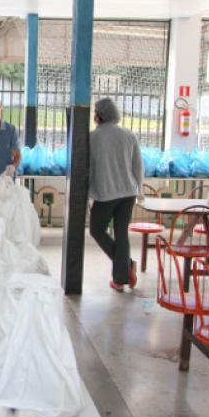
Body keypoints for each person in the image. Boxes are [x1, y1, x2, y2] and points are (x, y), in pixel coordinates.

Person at [88, 97, 143, 292]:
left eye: (95, 112)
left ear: (99, 116)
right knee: (121, 234)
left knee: (96, 229)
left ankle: (126, 266)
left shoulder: (92, 138)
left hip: (106, 193)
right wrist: (140, 189)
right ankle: (120, 278)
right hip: (128, 192)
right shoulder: (129, 135)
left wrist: (87, 194)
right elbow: (137, 165)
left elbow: (89, 168)